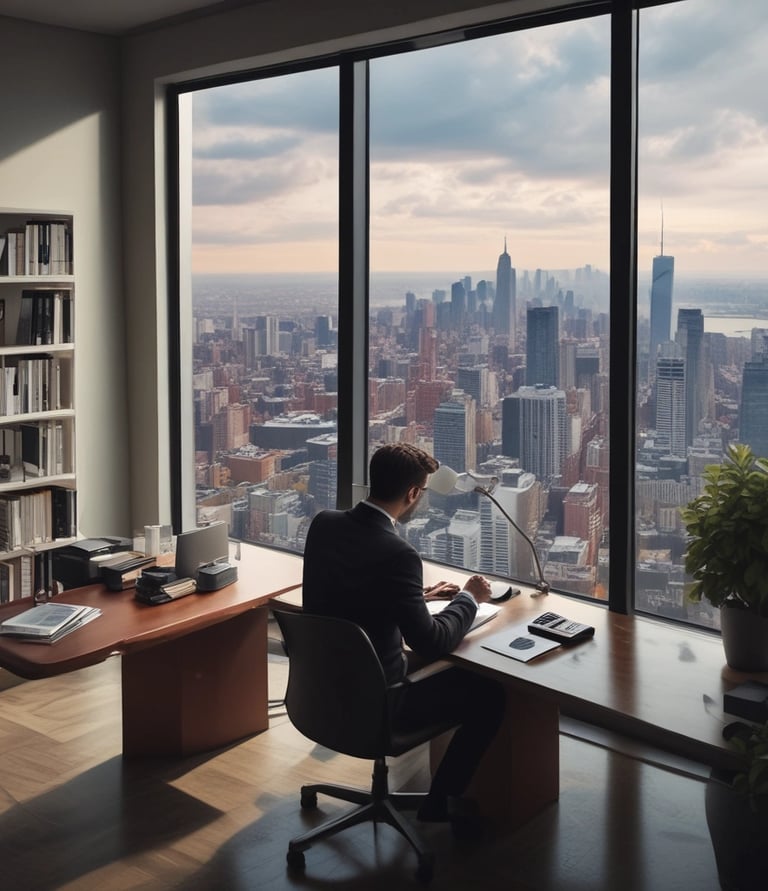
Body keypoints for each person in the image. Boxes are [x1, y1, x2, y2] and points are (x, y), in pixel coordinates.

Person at [302, 442, 505, 827]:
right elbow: (430, 641)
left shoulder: (324, 524)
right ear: (413, 493)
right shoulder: (398, 552)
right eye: (423, 492)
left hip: (321, 691)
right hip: (379, 704)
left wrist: (417, 597)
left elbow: (351, 591)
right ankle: (439, 802)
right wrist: (469, 597)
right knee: (489, 694)